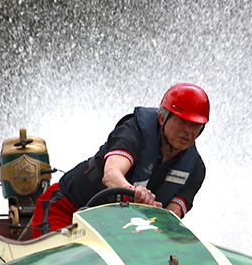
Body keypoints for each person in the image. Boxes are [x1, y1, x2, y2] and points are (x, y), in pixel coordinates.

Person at [29, 82, 208, 237]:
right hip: (66, 210)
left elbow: (170, 218)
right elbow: (111, 174)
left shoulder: (196, 170)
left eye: (195, 125)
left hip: (115, 230)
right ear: (162, 118)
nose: (188, 131)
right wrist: (135, 193)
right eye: (181, 121)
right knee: (61, 259)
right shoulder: (132, 133)